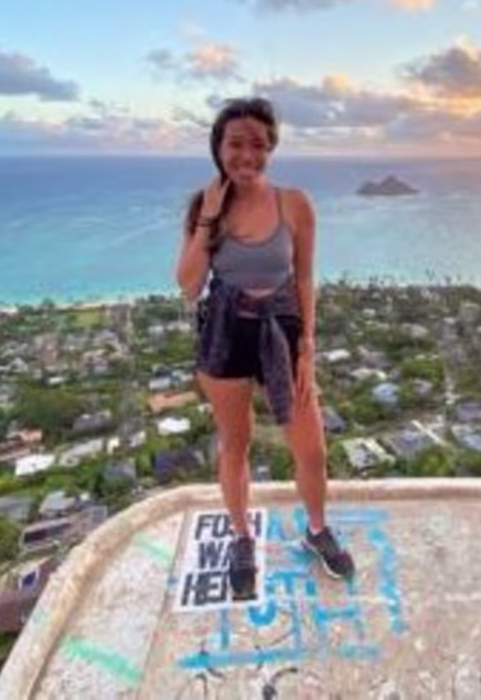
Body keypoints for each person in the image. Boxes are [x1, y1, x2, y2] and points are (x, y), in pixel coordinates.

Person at [175, 97, 355, 600]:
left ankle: (317, 530)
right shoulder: (202, 206)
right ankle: (240, 537)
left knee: (312, 449)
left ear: (271, 149)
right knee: (236, 443)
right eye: (236, 143)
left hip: (283, 328)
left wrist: (308, 347)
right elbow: (190, 286)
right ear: (219, 148)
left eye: (258, 144)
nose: (247, 154)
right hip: (226, 331)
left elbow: (304, 277)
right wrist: (209, 219)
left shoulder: (294, 203)